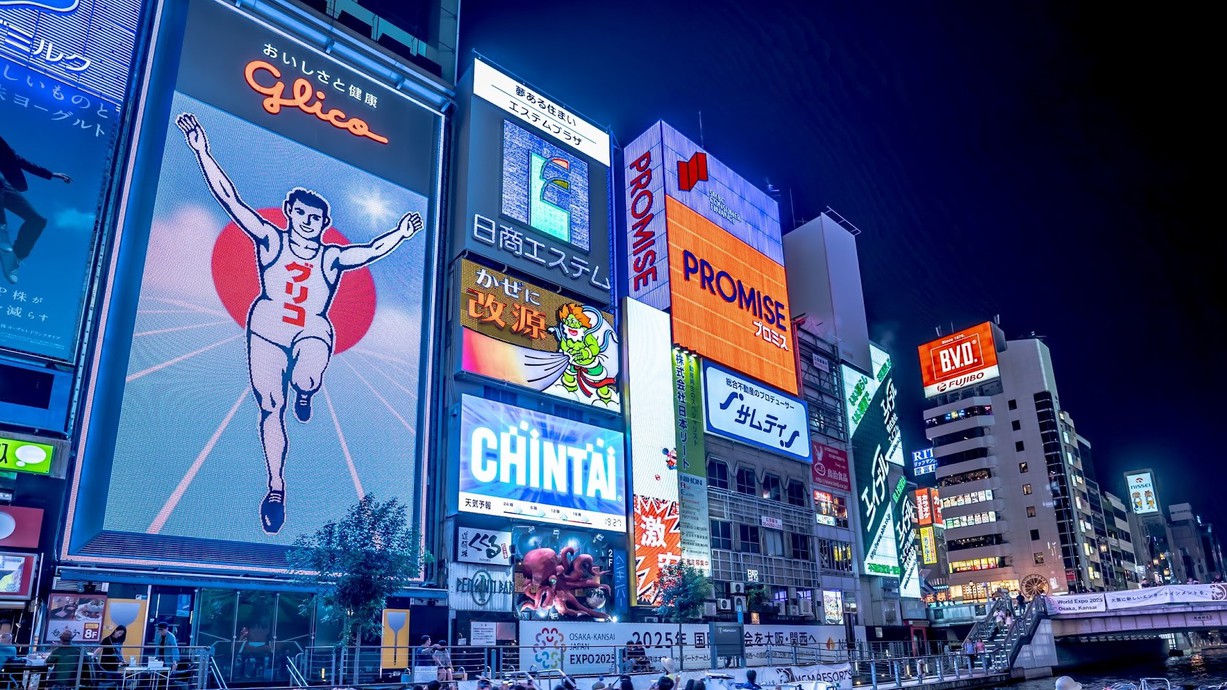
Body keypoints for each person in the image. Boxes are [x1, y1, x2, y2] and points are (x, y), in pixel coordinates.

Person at [176, 112, 425, 534]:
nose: (308, 222)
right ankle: (276, 486)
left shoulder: (330, 256)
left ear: (324, 224)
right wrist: (202, 151)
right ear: (291, 212)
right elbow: (230, 200)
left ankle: (307, 387)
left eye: (316, 218)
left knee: (308, 371)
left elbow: (367, 251)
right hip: (268, 328)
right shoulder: (271, 239)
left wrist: (400, 234)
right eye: (302, 214)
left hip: (311, 328)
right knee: (271, 407)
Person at [0, 132, 73, 284]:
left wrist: (51, 174)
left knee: (37, 220)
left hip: (4, 186)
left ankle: (15, 258)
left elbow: (16, 159)